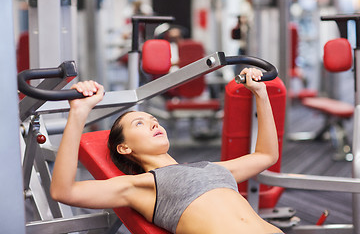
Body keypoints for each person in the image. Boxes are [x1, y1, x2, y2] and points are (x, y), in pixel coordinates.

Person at [50, 67, 284, 234]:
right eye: (139, 123)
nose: (154, 123)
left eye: (153, 119)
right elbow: (64, 191)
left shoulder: (211, 169)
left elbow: (266, 155)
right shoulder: (142, 186)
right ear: (124, 147)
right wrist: (79, 114)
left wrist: (260, 93)